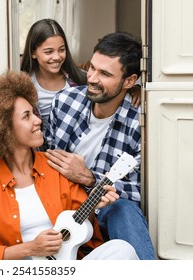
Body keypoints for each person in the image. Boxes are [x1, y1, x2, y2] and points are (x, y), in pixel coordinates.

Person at [0, 71, 138, 260]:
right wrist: (31, 248)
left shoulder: (56, 165)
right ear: (5, 129)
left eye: (34, 113)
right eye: (27, 116)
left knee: (122, 249)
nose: (38, 120)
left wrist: (92, 205)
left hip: (67, 264)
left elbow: (82, 229)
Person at [44, 32, 156, 260]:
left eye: (104, 73)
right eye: (92, 68)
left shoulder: (140, 123)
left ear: (129, 81)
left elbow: (140, 190)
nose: (92, 78)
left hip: (104, 207)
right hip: (63, 201)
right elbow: (45, 158)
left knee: (123, 210)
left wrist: (90, 178)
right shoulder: (64, 102)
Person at [20, 18, 140, 133]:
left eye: (61, 50)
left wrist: (134, 89)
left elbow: (111, 88)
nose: (57, 57)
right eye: (49, 52)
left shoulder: (81, 78)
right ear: (33, 53)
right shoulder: (22, 86)